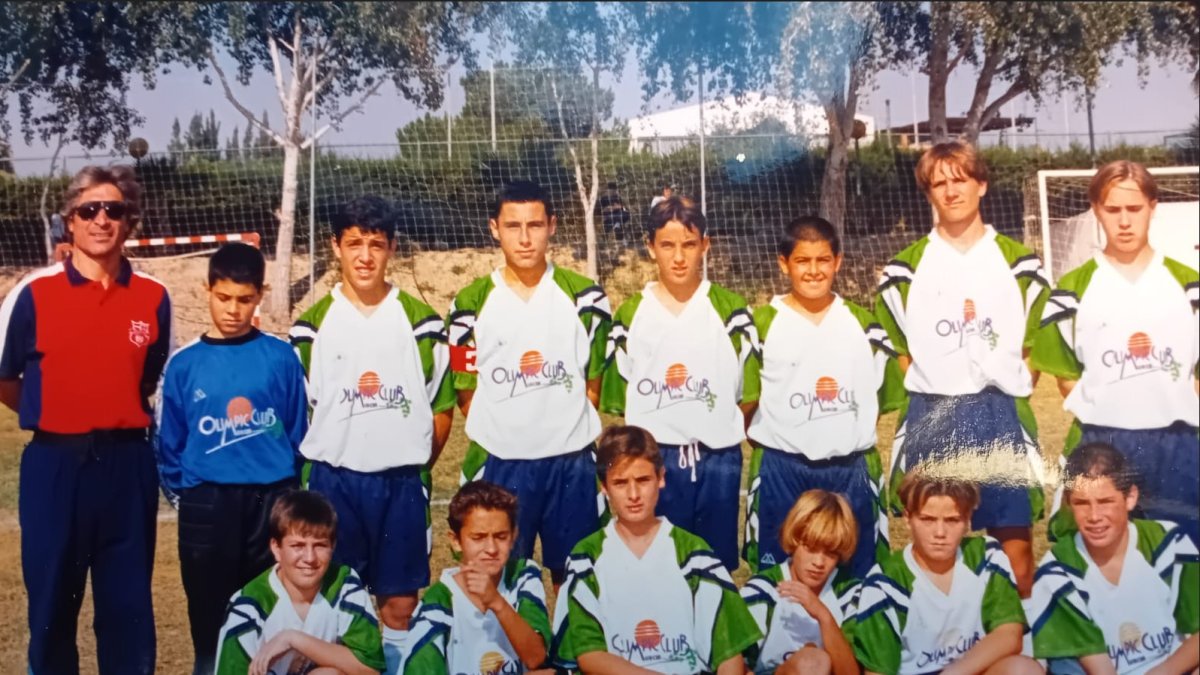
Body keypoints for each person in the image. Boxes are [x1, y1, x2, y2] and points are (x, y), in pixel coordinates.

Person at [0, 165, 171, 674]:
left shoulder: (155, 297)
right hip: (56, 466)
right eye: (89, 210)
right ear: (69, 221)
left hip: (127, 466)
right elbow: (7, 380)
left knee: (128, 610)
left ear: (129, 221)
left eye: (113, 210)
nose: (101, 220)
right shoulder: (32, 293)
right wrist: (55, 413)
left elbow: (153, 378)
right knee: (52, 606)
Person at [874, 140, 1050, 597]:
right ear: (928, 193)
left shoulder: (1021, 263)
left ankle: (1013, 654)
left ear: (982, 184)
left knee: (1016, 557)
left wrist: (1002, 389)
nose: (951, 191)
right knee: (935, 549)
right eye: (939, 183)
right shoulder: (902, 272)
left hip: (999, 414)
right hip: (936, 414)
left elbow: (1032, 353)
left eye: (960, 180)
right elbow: (901, 354)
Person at [288, 195, 456, 670]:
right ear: (335, 246)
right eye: (354, 243)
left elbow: (441, 408)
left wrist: (413, 464)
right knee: (333, 605)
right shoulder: (309, 330)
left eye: (376, 244)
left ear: (392, 249)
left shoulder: (422, 325)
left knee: (399, 607)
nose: (365, 255)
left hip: (399, 483)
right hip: (333, 484)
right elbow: (301, 415)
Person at [155, 242, 309, 674]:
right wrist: (189, 498)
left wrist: (286, 498)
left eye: (244, 299)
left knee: (270, 615)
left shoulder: (280, 358)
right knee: (210, 623)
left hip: (270, 502)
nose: (233, 310)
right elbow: (170, 444)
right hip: (208, 504)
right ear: (207, 290)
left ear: (259, 295)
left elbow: (297, 433)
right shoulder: (185, 365)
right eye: (223, 297)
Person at [449, 180, 611, 588]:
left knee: (574, 578)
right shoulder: (468, 304)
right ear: (494, 228)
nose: (524, 238)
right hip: (503, 463)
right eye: (513, 226)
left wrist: (560, 428)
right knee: (497, 576)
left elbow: (593, 383)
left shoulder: (586, 299)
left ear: (552, 226)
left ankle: (572, 655)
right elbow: (465, 388)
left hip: (570, 462)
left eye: (535, 225)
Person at [1032, 160, 1199, 547]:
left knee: (1185, 557)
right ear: (1096, 210)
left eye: (1134, 209)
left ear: (1152, 208)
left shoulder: (1188, 285)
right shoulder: (1071, 290)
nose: (1124, 221)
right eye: (1113, 209)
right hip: (1102, 440)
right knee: (1101, 559)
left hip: (1177, 443)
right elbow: (1064, 373)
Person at [601, 194, 757, 572]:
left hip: (716, 459)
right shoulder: (631, 314)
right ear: (650, 246)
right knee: (654, 561)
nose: (678, 257)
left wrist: (710, 425)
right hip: (655, 460)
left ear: (706, 245)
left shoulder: (730, 310)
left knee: (711, 565)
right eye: (667, 245)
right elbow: (620, 397)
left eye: (689, 245)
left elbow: (747, 394)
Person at [743, 216, 904, 578]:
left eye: (823, 260)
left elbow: (876, 404)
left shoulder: (866, 327)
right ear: (783, 263)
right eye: (802, 261)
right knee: (778, 581)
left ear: (838, 261)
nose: (813, 271)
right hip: (783, 468)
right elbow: (746, 400)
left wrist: (839, 435)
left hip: (850, 469)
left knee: (858, 577)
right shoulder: (761, 324)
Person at [551, 425, 761, 674]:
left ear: (661, 478)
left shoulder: (694, 553)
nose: (633, 494)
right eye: (620, 483)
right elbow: (589, 655)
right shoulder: (587, 557)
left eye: (643, 480)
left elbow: (728, 653)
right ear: (604, 487)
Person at [1028, 443, 1199, 675]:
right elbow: (1100, 669)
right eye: (1082, 503)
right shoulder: (1058, 571)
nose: (1094, 516)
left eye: (1105, 501)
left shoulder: (1168, 543)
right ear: (1068, 503)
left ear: (1130, 498)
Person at [852, 471, 1040, 675]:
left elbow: (1010, 634)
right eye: (928, 519)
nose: (940, 533)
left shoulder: (985, 556)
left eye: (952, 520)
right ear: (908, 518)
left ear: (968, 519)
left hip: (966, 670)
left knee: (1023, 669)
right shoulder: (884, 584)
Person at [214, 490, 386, 675]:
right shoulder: (248, 608)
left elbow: (371, 668)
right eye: (297, 546)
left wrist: (294, 639)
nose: (310, 558)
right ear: (276, 548)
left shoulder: (343, 585)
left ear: (333, 546)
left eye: (320, 545)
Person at [403, 481, 552, 674]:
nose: (491, 549)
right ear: (455, 541)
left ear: (514, 535)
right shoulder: (436, 605)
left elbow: (536, 658)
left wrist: (496, 602)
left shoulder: (522, 576)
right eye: (478, 537)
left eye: (500, 536)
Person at [741, 489, 862, 675]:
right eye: (811, 548)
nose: (819, 563)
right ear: (794, 541)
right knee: (811, 662)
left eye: (830, 553)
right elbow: (735, 666)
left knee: (815, 661)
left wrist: (824, 616)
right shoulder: (762, 590)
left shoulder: (850, 593)